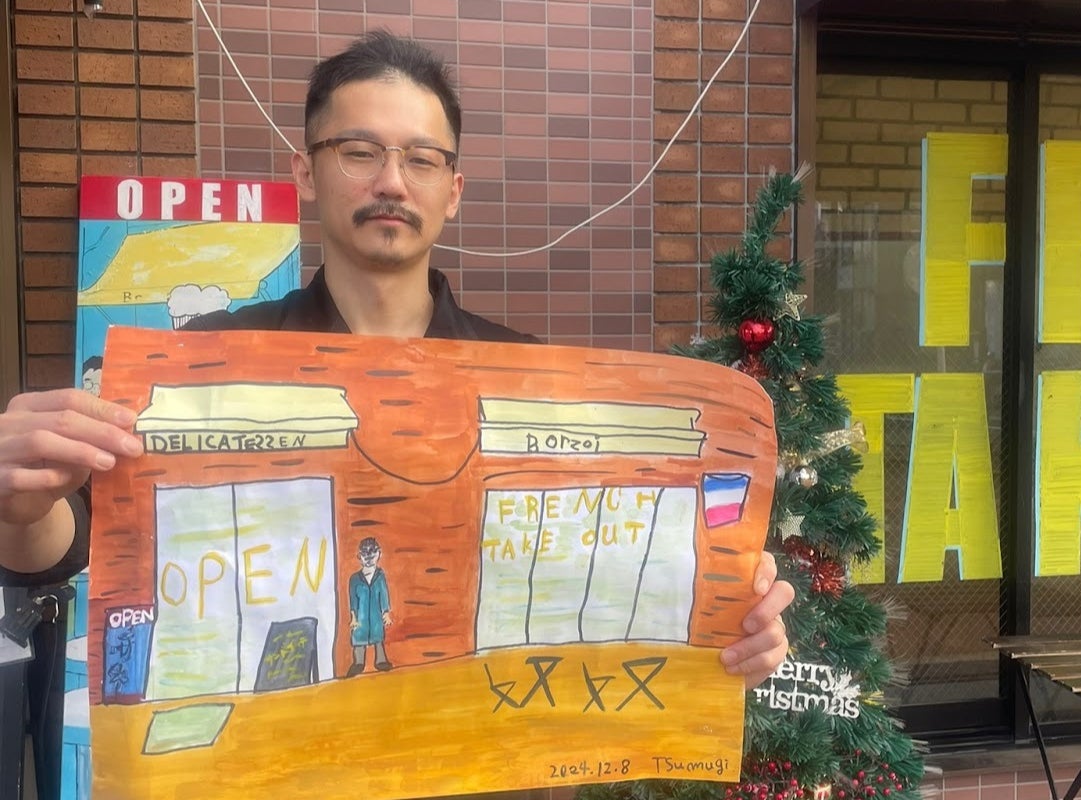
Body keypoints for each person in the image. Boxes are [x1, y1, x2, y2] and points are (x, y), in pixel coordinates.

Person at [0, 29, 791, 693]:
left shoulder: (528, 375)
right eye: (359, 152)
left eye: (420, 159)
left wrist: (732, 629)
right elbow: (74, 543)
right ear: (306, 172)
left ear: (454, 189)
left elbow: (611, 573)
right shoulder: (204, 360)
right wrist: (22, 508)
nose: (390, 182)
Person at [347, 537, 393, 676]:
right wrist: (353, 617)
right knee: (359, 639)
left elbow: (384, 595)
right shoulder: (354, 579)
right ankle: (358, 663)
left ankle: (381, 661)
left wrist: (386, 613)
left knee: (378, 637)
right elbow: (353, 600)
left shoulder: (380, 576)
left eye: (372, 556)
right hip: (360, 617)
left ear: (379, 554)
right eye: (365, 557)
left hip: (375, 616)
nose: (369, 560)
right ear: (359, 557)